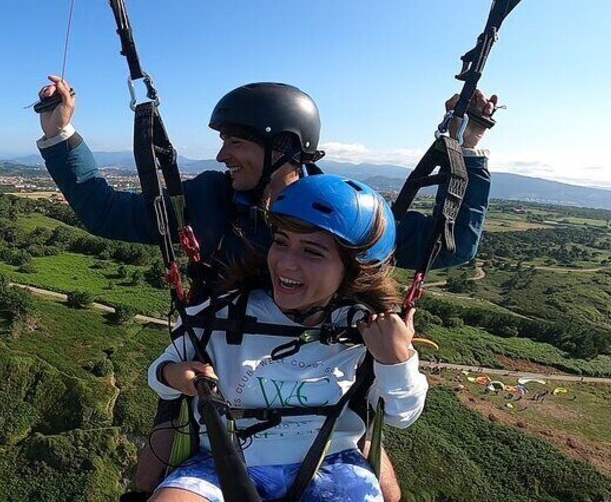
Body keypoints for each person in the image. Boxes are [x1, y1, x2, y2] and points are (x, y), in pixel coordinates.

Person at [36, 76, 495, 500]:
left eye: (234, 142)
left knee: (386, 490)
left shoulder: (345, 213)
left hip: (323, 387)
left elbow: (448, 246)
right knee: (149, 478)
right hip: (220, 365)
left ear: (281, 146)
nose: (221, 155)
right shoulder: (208, 200)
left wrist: (467, 147)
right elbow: (107, 213)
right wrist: (60, 135)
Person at [147, 174, 428, 502]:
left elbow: (401, 416)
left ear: (351, 269)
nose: (286, 263)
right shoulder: (222, 313)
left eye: (312, 252)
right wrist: (174, 375)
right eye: (281, 242)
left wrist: (396, 360)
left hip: (332, 461)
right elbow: (161, 371)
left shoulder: (364, 327)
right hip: (223, 459)